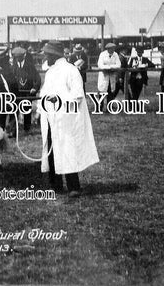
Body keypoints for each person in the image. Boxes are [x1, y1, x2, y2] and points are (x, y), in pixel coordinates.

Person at [38, 41, 99, 198]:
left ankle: (74, 186)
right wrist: (42, 107)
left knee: (68, 151)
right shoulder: (51, 72)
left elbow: (77, 96)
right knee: (51, 151)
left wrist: (57, 100)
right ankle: (55, 185)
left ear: (53, 55)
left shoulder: (71, 71)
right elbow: (44, 93)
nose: (45, 57)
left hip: (67, 121)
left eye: (47, 54)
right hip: (51, 119)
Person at [11, 46, 41, 132]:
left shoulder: (30, 66)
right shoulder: (13, 67)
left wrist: (35, 88)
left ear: (23, 56)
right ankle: (14, 129)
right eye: (16, 58)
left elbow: (37, 78)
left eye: (19, 57)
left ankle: (27, 128)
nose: (17, 59)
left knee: (26, 110)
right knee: (14, 110)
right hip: (16, 93)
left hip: (28, 92)